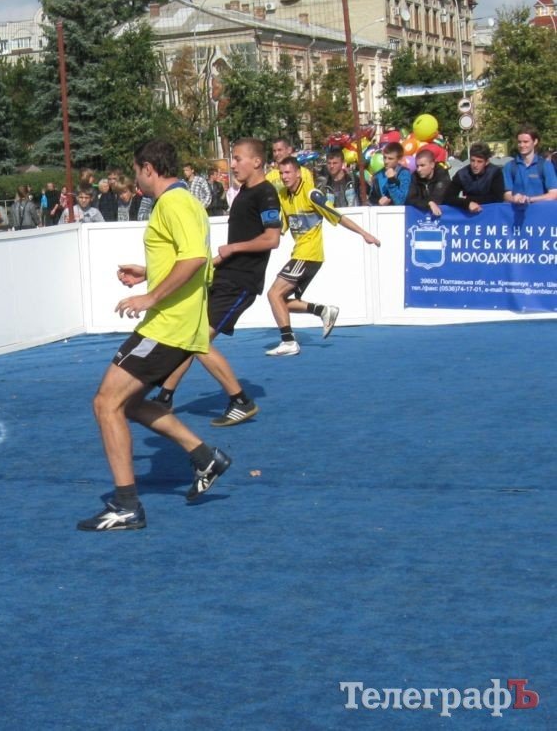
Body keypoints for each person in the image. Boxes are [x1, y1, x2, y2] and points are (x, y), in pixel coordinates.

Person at [77, 139, 231, 532]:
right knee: (127, 404)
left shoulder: (174, 202)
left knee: (105, 403)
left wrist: (151, 295)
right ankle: (204, 457)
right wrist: (149, 272)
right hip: (175, 323)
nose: (134, 177)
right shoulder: (184, 202)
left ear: (148, 168)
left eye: (135, 169)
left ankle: (127, 506)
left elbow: (195, 260)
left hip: (168, 325)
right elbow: (187, 257)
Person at [148, 138, 281, 426]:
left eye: (237, 158)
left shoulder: (266, 193)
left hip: (242, 283)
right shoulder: (244, 192)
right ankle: (165, 398)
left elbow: (273, 238)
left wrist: (233, 249)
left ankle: (240, 400)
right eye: (232, 159)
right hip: (226, 276)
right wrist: (215, 262)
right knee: (192, 336)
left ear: (257, 161)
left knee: (198, 341)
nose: (232, 164)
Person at [264, 157, 381, 356]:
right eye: (282, 173)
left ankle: (289, 341)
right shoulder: (283, 196)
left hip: (309, 254)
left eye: (288, 172)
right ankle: (323, 311)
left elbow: (338, 216)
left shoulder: (312, 194)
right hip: (300, 253)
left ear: (298, 173)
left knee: (273, 294)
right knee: (280, 300)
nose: (284, 177)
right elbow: (283, 227)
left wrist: (364, 234)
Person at [444, 142, 506, 214]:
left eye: (479, 162)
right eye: (472, 160)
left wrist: (469, 199)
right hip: (469, 215)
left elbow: (498, 198)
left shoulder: (495, 172)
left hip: (490, 214)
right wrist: (467, 203)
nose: (475, 165)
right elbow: (448, 197)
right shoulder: (462, 174)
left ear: (487, 162)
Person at [503, 126, 557, 205]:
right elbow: (506, 194)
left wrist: (530, 199)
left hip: (540, 212)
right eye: (519, 142)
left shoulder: (545, 165)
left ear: (535, 142)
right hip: (517, 213)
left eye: (526, 142)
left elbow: (554, 194)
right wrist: (514, 198)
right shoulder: (509, 166)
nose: (521, 145)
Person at [406, 149, 452, 218]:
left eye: (422, 165)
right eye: (417, 166)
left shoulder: (442, 174)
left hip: (445, 217)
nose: (419, 169)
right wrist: (429, 203)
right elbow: (410, 198)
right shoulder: (414, 176)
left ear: (432, 165)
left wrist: (428, 202)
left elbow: (439, 197)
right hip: (421, 218)